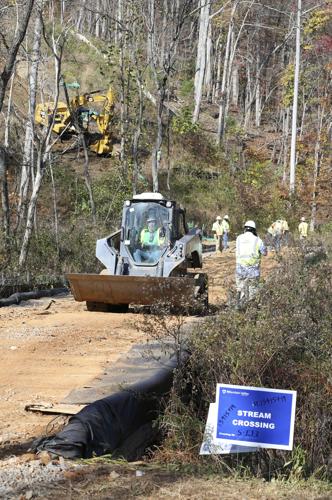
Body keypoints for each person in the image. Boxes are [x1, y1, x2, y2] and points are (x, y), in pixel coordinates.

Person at [235, 220, 267, 308]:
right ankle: (250, 310)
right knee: (252, 291)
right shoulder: (258, 240)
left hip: (240, 269)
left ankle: (238, 308)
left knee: (240, 289)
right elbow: (264, 252)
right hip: (253, 270)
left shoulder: (238, 238)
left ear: (245, 229)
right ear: (254, 230)